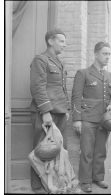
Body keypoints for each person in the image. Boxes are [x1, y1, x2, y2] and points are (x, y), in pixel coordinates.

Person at [71, 42, 111, 193]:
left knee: (100, 151)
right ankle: (85, 181)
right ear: (96, 54)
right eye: (105, 54)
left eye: (109, 54)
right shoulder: (83, 73)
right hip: (88, 119)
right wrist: (77, 119)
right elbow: (76, 97)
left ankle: (98, 177)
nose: (107, 57)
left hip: (104, 120)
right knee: (87, 151)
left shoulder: (109, 75)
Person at [30, 28, 70, 193]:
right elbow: (37, 87)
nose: (64, 45)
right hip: (46, 113)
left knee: (56, 151)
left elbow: (61, 88)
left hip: (60, 112)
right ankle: (36, 186)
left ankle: (51, 183)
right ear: (50, 41)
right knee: (41, 149)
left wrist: (66, 109)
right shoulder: (40, 60)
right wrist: (45, 111)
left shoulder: (59, 62)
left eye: (64, 41)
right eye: (61, 41)